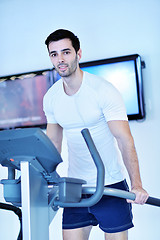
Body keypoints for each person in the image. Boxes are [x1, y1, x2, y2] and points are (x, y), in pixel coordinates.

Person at [43, 29, 149, 240]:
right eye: (54, 54)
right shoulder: (51, 97)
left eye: (66, 52)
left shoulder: (102, 90)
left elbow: (124, 139)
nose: (60, 59)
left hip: (110, 185)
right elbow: (53, 142)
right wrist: (46, 180)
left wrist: (136, 184)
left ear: (78, 54)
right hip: (75, 189)